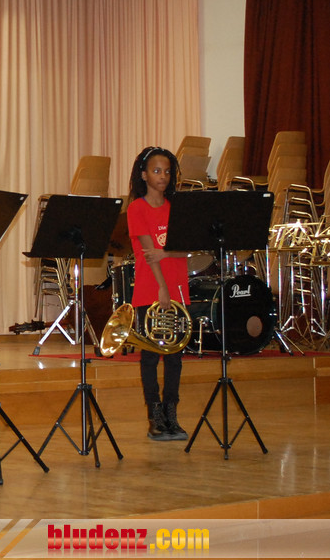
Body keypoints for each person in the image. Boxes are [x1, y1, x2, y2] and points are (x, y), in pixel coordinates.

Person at [126, 146, 190, 442]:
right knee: (151, 356)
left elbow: (186, 248)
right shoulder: (137, 208)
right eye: (156, 171)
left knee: (175, 357)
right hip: (151, 289)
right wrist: (162, 287)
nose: (162, 176)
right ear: (144, 175)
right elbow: (149, 253)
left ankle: (171, 414)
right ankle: (155, 417)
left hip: (179, 289)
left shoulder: (176, 208)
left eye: (166, 171)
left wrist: (167, 253)